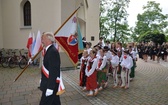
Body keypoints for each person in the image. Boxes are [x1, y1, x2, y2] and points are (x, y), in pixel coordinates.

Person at [40, 32, 61, 105]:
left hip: (50, 84)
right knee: (55, 102)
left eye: (43, 38)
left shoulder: (52, 52)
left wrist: (50, 87)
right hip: (49, 82)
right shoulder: (49, 50)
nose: (42, 41)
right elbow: (47, 67)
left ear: (48, 40)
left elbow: (53, 71)